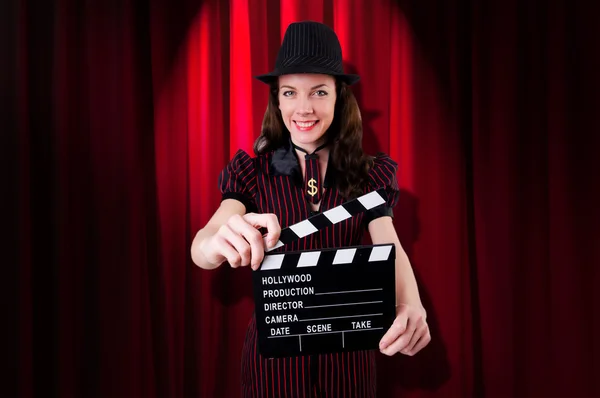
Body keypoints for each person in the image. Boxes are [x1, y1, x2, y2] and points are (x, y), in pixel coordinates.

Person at [190, 21, 430, 398]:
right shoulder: (252, 174)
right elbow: (204, 243)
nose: (304, 108)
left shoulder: (370, 176)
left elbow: (390, 245)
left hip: (348, 362)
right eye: (290, 92)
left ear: (339, 97)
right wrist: (213, 244)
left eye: (319, 91)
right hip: (273, 364)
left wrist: (411, 302)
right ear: (278, 100)